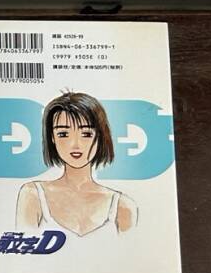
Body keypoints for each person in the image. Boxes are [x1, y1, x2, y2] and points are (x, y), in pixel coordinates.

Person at [15, 91, 137, 239]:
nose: (75, 144)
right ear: (52, 138)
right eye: (63, 134)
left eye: (86, 134)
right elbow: (22, 250)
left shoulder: (122, 205)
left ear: (100, 137)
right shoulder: (33, 194)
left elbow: (130, 250)